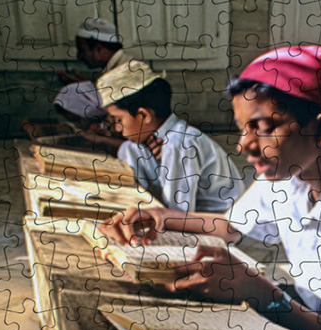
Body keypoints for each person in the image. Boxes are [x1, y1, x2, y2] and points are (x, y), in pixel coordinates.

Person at [102, 44, 321, 330]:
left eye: (264, 128)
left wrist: (261, 293)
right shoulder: (286, 174)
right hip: (307, 310)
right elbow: (231, 226)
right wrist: (163, 218)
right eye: (241, 128)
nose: (243, 144)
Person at [97, 59, 243, 214]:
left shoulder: (179, 143)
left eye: (119, 120)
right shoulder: (156, 140)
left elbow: (179, 212)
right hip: (188, 215)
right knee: (129, 148)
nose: (118, 128)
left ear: (143, 115)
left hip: (215, 222)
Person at [22, 17, 131, 150]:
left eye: (82, 50)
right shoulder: (115, 68)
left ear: (98, 48)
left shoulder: (125, 70)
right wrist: (90, 86)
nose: (79, 56)